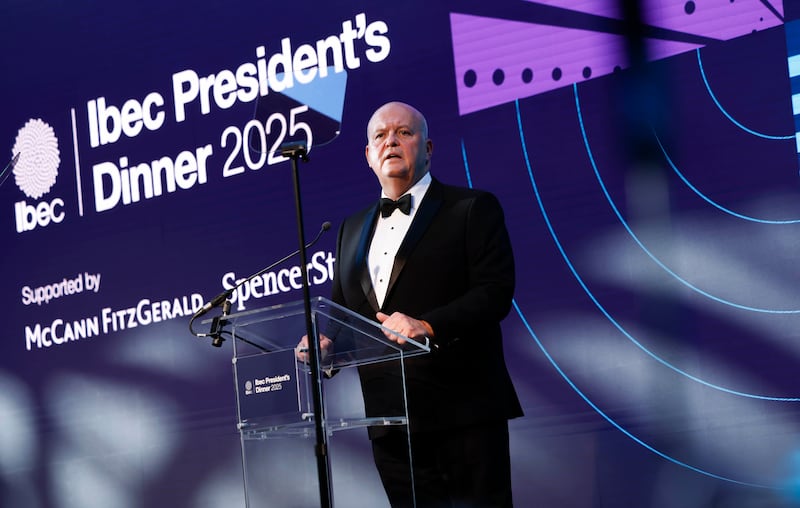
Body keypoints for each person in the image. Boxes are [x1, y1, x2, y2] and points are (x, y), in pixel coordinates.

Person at [301, 101, 522, 507]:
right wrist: (327, 347)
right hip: (388, 423)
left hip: (464, 412)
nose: (391, 142)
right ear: (368, 156)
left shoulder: (471, 208)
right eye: (380, 136)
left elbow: (495, 293)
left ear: (428, 147)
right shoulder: (348, 229)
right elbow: (342, 317)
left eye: (403, 132)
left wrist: (429, 324)